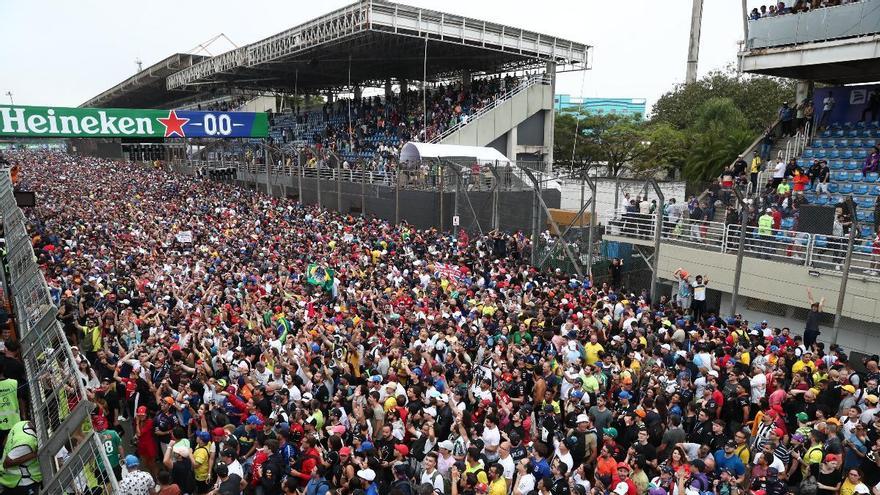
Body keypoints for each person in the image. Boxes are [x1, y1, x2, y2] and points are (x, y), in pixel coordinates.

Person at [0, 420, 41, 495]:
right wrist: (35, 454)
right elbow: (7, 463)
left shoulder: (22, 423)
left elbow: (5, 440)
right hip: (22, 481)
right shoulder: (27, 441)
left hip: (8, 477)